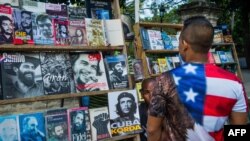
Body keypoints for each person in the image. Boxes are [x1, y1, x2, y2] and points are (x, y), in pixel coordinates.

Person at [147, 16, 249, 141]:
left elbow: (152, 130)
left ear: (184, 44)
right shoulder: (235, 82)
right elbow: (239, 130)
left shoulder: (165, 80)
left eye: (179, 41)